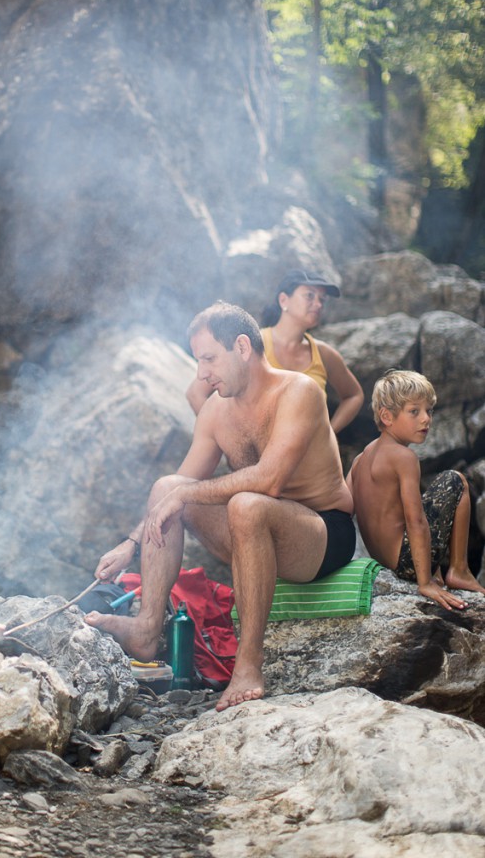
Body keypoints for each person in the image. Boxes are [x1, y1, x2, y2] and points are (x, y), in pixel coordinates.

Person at [87, 301, 355, 710]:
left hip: (320, 534)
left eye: (209, 358)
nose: (202, 373)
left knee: (245, 503)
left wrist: (188, 494)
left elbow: (270, 480)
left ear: (243, 347)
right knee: (167, 486)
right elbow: (178, 488)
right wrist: (131, 544)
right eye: (198, 361)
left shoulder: (298, 391)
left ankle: (249, 664)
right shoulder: (215, 411)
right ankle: (146, 627)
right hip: (253, 532)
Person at [348, 370, 484, 611]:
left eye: (428, 411)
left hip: (385, 561)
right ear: (387, 417)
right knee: (456, 480)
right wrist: (425, 583)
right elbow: (416, 520)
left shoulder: (361, 458)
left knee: (426, 501)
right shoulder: (404, 457)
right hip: (407, 562)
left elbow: (345, 506)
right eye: (414, 411)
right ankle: (459, 570)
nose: (426, 419)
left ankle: (443, 574)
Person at [186, 269, 363, 434]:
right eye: (309, 296)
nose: (318, 304)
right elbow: (196, 393)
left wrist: (329, 433)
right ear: (284, 300)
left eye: (322, 300)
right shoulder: (251, 345)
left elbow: (353, 395)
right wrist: (228, 439)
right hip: (258, 463)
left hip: (311, 464)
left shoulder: (324, 354)